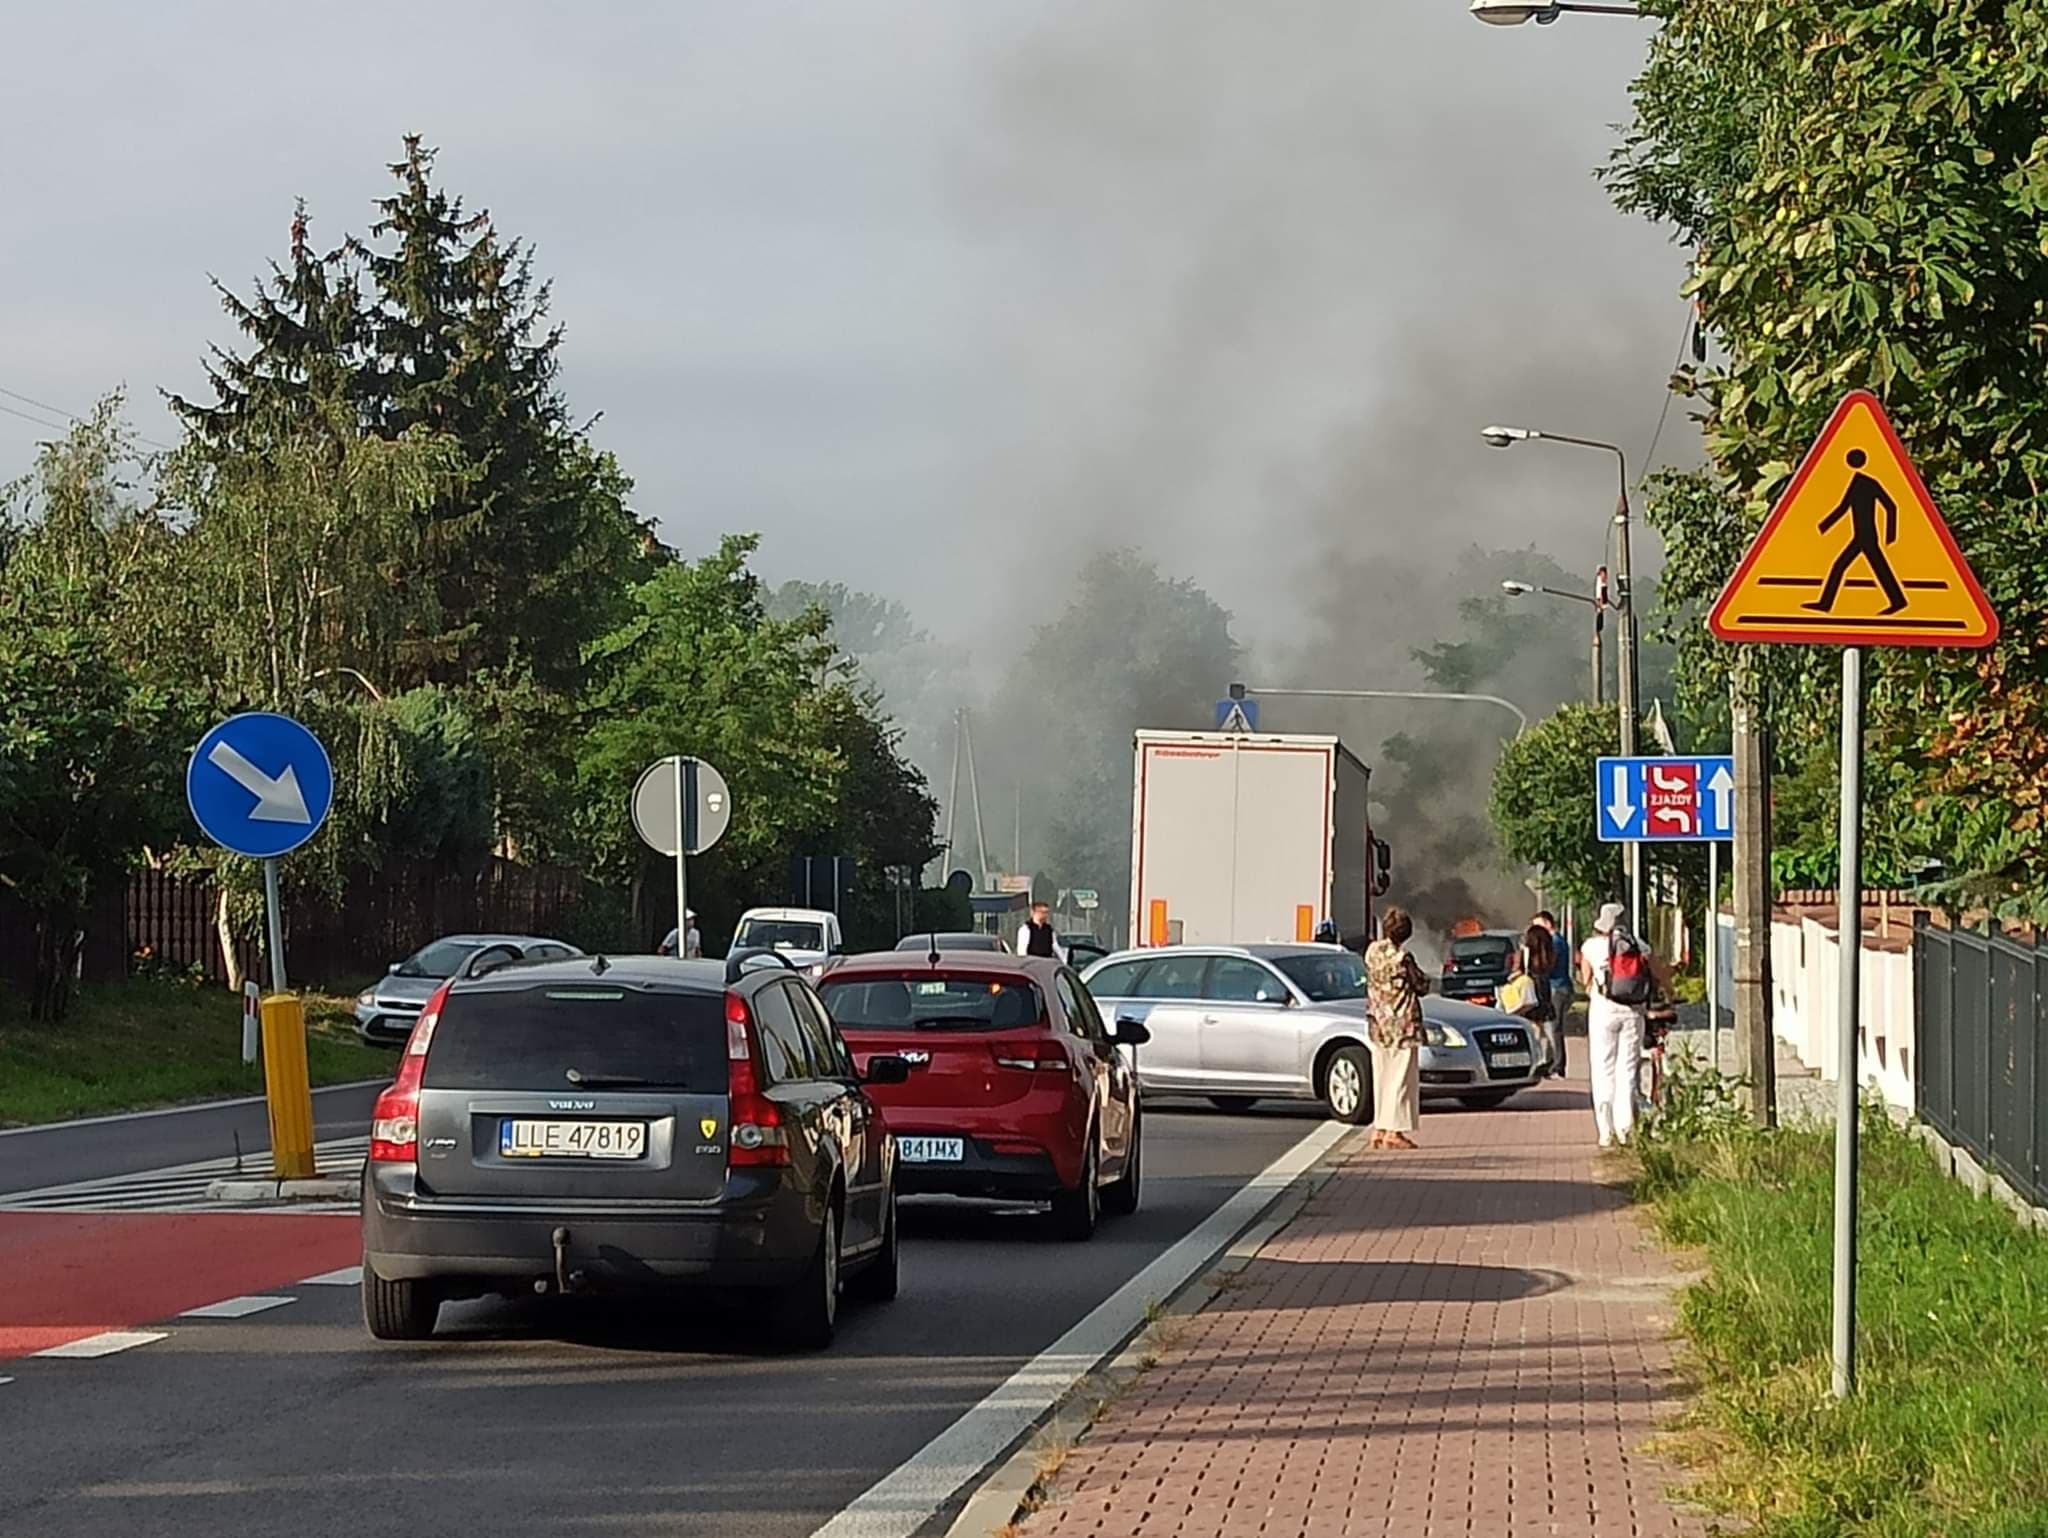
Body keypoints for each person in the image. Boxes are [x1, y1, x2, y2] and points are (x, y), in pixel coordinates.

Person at [1579, 901, 1649, 1146]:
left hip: (1603, 1012)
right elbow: (1655, 975)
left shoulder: (1590, 946)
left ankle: (1605, 1131)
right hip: (1633, 1013)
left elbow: (1585, 979)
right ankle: (1625, 1129)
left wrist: (1594, 990)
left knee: (1602, 1068)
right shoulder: (1638, 946)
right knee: (1627, 1070)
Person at [1365, 905, 1428, 1151]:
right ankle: (1395, 1131)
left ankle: (1378, 1129)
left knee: (1381, 1077)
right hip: (1402, 1026)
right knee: (1402, 1079)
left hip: (1378, 1024)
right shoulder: (1403, 958)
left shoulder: (1371, 952)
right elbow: (1420, 984)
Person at [1520, 921, 1563, 1078]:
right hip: (1544, 995)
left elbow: (1518, 971)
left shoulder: (1526, 955)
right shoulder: (1548, 957)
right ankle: (1549, 1063)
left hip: (1529, 997)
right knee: (1550, 1032)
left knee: (1533, 1031)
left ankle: (1535, 1062)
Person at [1535, 910, 1573, 1076]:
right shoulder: (1558, 940)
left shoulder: (1555, 942)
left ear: (1547, 923)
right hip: (1559, 987)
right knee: (1551, 1027)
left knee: (1554, 1028)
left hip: (1557, 988)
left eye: (1538, 925)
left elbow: (1550, 965)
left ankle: (1558, 1065)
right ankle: (1550, 1063)